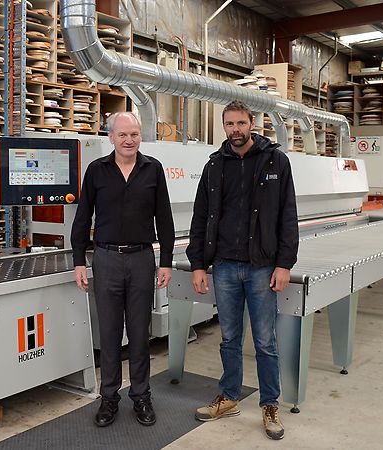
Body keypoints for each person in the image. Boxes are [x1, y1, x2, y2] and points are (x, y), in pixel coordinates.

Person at [186, 100, 299, 440]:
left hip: (261, 267)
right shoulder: (215, 165)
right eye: (229, 124)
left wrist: (284, 263)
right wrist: (198, 264)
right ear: (223, 127)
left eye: (240, 123)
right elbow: (200, 215)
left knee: (265, 341)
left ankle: (270, 405)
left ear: (252, 123)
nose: (235, 129)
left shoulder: (275, 161)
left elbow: (287, 216)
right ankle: (230, 397)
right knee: (229, 338)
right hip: (224, 266)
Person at [71, 112, 175, 428]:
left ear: (139, 136)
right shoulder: (96, 171)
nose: (128, 140)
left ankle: (141, 396)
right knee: (111, 332)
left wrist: (166, 261)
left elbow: (165, 218)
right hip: (105, 259)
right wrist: (79, 259)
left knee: (141, 334)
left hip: (142, 258)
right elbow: (83, 217)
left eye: (134, 134)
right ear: (111, 137)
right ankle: (109, 398)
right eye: (122, 135)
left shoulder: (153, 169)